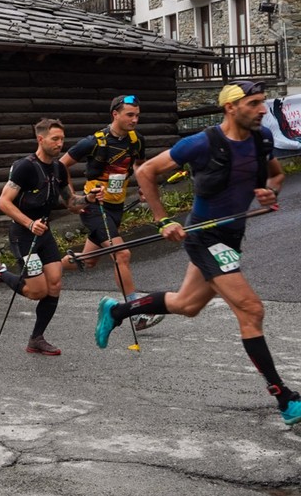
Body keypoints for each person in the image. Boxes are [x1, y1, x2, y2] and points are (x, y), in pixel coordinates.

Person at [99, 81, 300, 426]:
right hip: (204, 237)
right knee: (251, 310)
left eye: (262, 103)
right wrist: (162, 220)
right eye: (253, 104)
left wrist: (269, 192)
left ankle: (118, 310)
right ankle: (285, 398)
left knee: (187, 305)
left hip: (232, 235)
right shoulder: (201, 143)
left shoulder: (261, 140)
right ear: (230, 107)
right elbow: (146, 172)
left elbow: (277, 176)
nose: (263, 110)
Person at [0, 118, 91, 356]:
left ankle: (36, 339)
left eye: (62, 139)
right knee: (36, 291)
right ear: (40, 139)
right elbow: (3, 202)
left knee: (55, 283)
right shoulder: (25, 167)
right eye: (55, 139)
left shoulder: (59, 168)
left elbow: (70, 202)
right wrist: (29, 223)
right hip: (23, 234)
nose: (60, 144)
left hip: (44, 233)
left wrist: (89, 199)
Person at [61, 94, 161, 331]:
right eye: (130, 115)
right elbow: (61, 164)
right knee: (121, 254)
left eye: (137, 115)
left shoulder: (137, 140)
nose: (135, 119)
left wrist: (143, 188)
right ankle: (137, 313)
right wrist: (72, 199)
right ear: (115, 114)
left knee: (89, 261)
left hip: (116, 206)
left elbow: (140, 166)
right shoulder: (93, 141)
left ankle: (43, 267)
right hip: (94, 206)